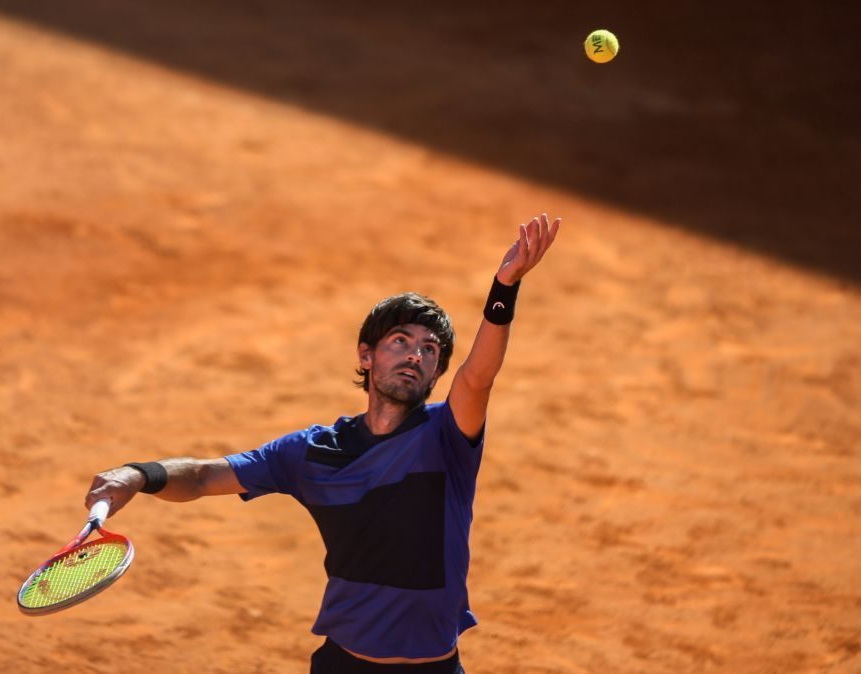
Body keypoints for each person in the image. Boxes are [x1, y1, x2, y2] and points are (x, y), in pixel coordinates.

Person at [85, 214, 562, 673]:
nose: (416, 354)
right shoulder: (310, 453)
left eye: (430, 350)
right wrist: (137, 475)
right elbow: (206, 475)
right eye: (401, 340)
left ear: (437, 372)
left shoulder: (447, 438)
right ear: (366, 355)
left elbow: (478, 379)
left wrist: (505, 288)